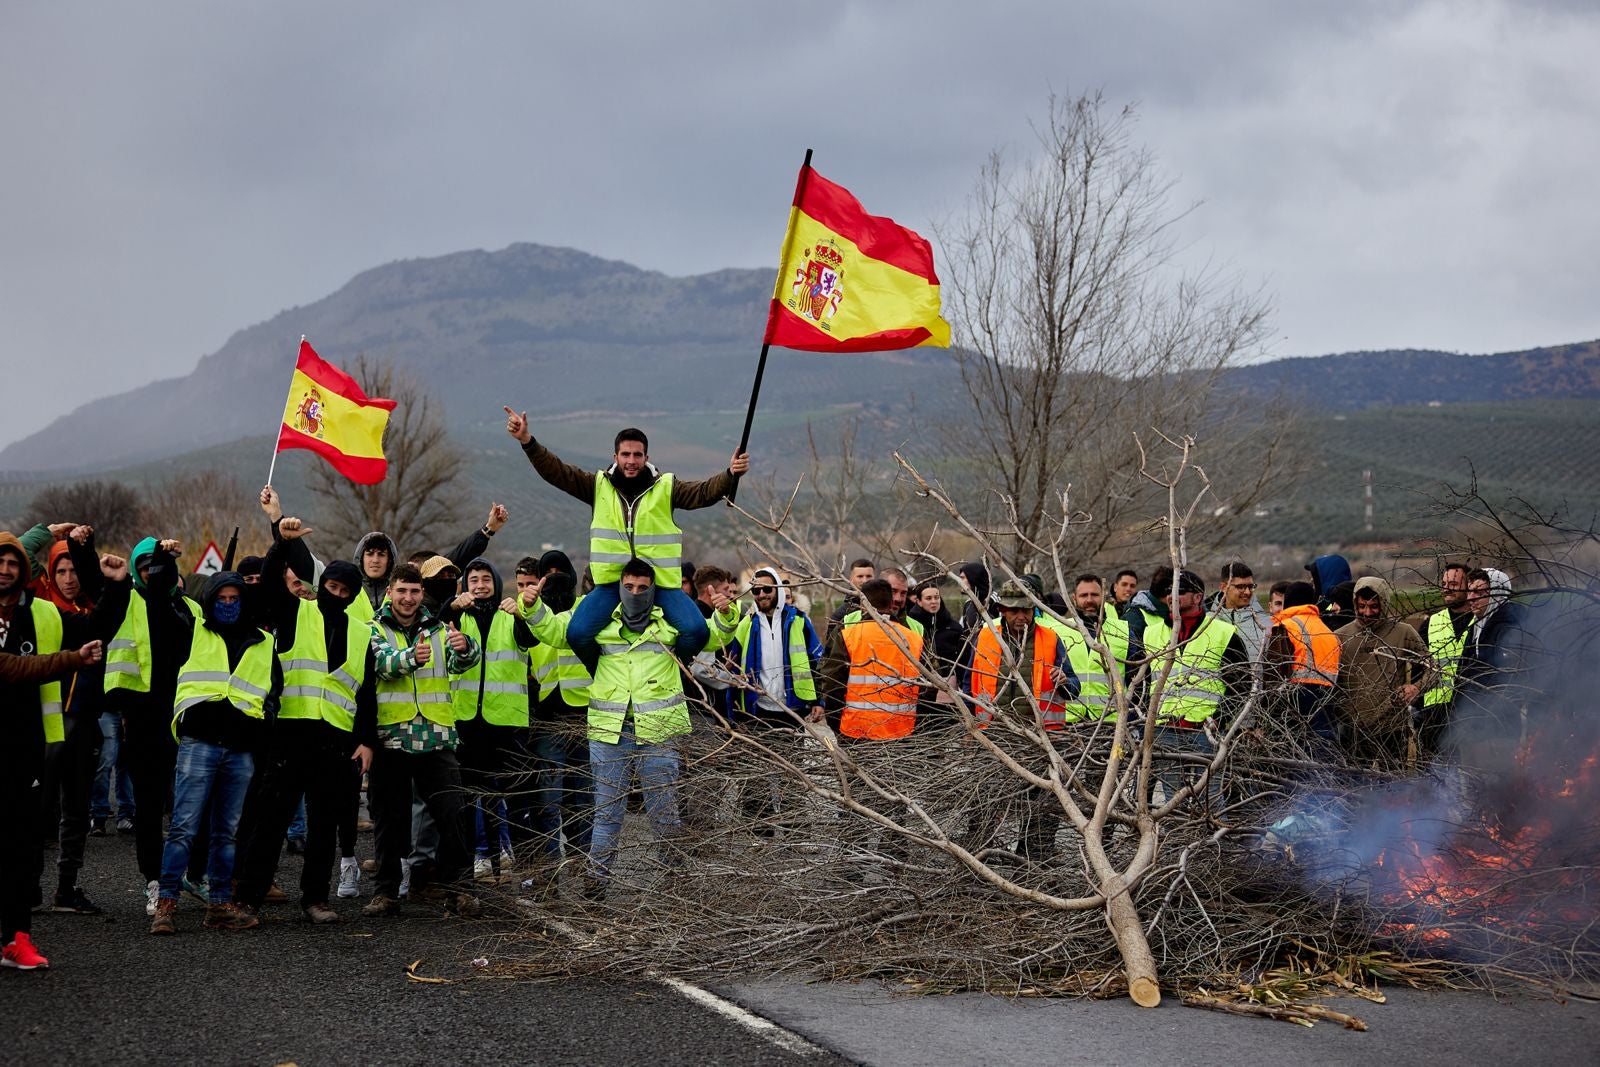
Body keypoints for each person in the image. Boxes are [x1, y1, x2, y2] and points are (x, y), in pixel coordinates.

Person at [518, 557, 742, 900]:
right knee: (607, 813)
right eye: (629, 587)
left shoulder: (668, 627)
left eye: (642, 588)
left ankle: (675, 881)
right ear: (618, 588)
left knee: (663, 812)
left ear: (653, 590)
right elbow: (556, 631)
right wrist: (532, 608)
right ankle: (596, 882)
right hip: (610, 733)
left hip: (658, 733)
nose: (635, 592)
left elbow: (710, 637)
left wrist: (726, 615)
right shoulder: (600, 626)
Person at [504, 410, 747, 670]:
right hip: (610, 584)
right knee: (577, 633)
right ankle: (603, 672)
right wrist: (527, 441)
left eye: (637, 455)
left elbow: (704, 493)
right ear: (615, 457)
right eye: (626, 454)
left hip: (661, 584)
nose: (631, 461)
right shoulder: (597, 486)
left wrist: (730, 474)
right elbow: (558, 473)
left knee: (696, 632)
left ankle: (678, 670)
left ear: (646, 457)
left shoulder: (666, 487)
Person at [234, 519, 377, 924]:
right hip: (291, 733)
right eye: (331, 587)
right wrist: (281, 540)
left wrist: (366, 741)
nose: (337, 595)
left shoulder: (363, 635)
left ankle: (315, 898)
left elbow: (366, 693)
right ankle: (248, 897)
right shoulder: (296, 612)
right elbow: (267, 585)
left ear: (352, 596)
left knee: (323, 824)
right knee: (272, 821)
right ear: (322, 586)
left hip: (337, 740)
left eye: (345, 592)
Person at [148, 571, 280, 934]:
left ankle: (220, 905)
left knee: (227, 833)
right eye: (220, 599)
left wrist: (264, 720)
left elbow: (273, 690)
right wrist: (161, 564)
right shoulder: (193, 632)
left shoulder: (264, 642)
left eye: (233, 599)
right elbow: (159, 608)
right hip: (199, 743)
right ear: (209, 601)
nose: (227, 605)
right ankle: (166, 905)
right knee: (183, 828)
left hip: (240, 750)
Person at [361, 563, 482, 917]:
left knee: (451, 815)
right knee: (388, 818)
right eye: (402, 591)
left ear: (421, 594)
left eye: (414, 592)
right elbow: (381, 663)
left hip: (437, 737)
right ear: (390, 593)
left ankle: (460, 889)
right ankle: (386, 893)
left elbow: (465, 663)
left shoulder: (439, 629)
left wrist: (464, 645)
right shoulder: (373, 630)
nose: (408, 598)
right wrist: (411, 657)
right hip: (393, 738)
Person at [102, 535, 199, 916]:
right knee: (148, 806)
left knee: (188, 806)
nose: (153, 575)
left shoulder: (190, 608)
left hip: (186, 717)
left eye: (157, 568)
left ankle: (186, 874)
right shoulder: (127, 604)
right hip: (142, 720)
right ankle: (154, 881)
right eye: (144, 569)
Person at [0, 634, 105, 971]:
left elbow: (97, 622)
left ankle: (16, 941)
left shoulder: (36, 613)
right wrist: (74, 659)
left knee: (21, 848)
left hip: (23, 747)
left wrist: (118, 585)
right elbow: (13, 666)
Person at [957, 578, 1080, 859]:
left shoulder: (1051, 639)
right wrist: (969, 726)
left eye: (1026, 609)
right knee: (985, 807)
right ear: (1002, 609)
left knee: (1042, 811)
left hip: (1041, 741)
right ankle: (978, 863)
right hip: (994, 738)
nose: (1020, 616)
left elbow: (1074, 688)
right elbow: (968, 686)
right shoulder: (985, 637)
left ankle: (1035, 863)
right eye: (1014, 610)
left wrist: (1064, 681)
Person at [814, 578, 927, 875]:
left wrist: (837, 722)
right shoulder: (911, 638)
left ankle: (853, 862)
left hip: (856, 732)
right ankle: (894, 862)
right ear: (891, 604)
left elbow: (831, 679)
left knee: (856, 801)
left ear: (862, 605)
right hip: (901, 733)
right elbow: (929, 686)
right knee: (896, 800)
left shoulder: (849, 634)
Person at [451, 557, 536, 883]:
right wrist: (452, 606)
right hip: (469, 719)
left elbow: (530, 640)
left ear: (497, 584)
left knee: (515, 797)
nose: (480, 585)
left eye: (486, 579)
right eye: (474, 579)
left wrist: (521, 613)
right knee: (473, 795)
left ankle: (521, 863)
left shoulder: (510, 615)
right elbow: (436, 619)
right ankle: (481, 858)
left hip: (507, 721)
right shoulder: (459, 616)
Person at [727, 569, 824, 835]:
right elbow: (733, 670)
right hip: (756, 710)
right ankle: (759, 833)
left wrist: (818, 700)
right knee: (754, 774)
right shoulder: (747, 624)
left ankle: (794, 830)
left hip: (790, 708)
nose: (761, 595)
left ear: (778, 591)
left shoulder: (799, 622)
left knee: (792, 773)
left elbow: (816, 664)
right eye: (756, 590)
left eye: (766, 590)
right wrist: (732, 712)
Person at [1141, 569, 1250, 797]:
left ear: (1197, 597)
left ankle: (1212, 834)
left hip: (1206, 732)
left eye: (1179, 592)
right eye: (1169, 592)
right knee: (1173, 800)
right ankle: (1180, 835)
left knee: (1211, 798)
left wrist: (1219, 718)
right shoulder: (1150, 634)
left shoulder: (1223, 632)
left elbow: (1241, 684)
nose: (1171, 597)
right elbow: (1144, 682)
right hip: (1166, 729)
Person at [1334, 577, 1431, 769]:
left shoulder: (1403, 632)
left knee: (1394, 791)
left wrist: (1416, 688)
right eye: (1362, 606)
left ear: (1384, 604)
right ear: (1355, 603)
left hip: (1392, 729)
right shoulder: (1341, 636)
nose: (1367, 613)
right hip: (1353, 731)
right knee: (1353, 792)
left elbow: (1433, 668)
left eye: (1374, 606)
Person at [1264, 580, 1342, 747]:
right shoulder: (1328, 631)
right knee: (1323, 756)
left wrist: (1265, 713)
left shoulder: (1285, 627)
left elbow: (1274, 674)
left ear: (1288, 602)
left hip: (1293, 701)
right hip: (1327, 701)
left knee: (1294, 759)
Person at [1416, 562, 1472, 754]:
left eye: (1454, 584)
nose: (1447, 588)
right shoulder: (1430, 624)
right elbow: (1417, 670)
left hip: (1470, 714)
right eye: (1444, 583)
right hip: (1434, 716)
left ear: (1468, 586)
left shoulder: (1480, 620)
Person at [1212, 561, 1272, 667]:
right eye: (1241, 587)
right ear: (1223, 587)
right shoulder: (1208, 622)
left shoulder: (1267, 625)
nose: (1248, 592)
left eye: (1250, 586)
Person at [825, 558, 877, 642]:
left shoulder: (885, 608)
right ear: (851, 579)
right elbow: (831, 649)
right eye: (860, 576)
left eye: (869, 576)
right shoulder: (840, 615)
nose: (865, 580)